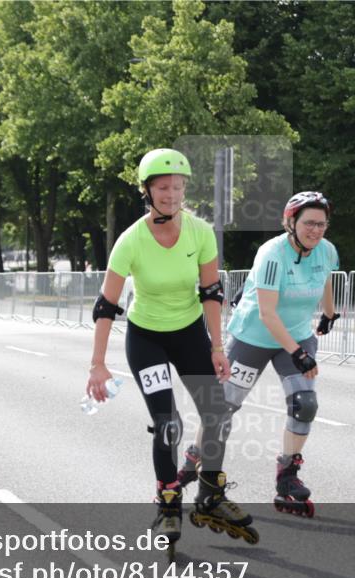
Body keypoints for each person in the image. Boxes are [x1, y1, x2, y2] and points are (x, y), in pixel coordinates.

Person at [85, 148, 258, 549]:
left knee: (216, 414)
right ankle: (167, 501)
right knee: (168, 424)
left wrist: (218, 346)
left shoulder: (199, 232)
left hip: (188, 335)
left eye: (178, 187)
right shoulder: (131, 240)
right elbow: (105, 306)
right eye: (163, 187)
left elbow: (211, 292)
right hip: (146, 339)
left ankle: (211, 494)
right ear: (147, 191)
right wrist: (97, 364)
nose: (172, 194)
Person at [178, 192, 340, 518]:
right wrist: (299, 355)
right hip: (253, 336)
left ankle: (288, 475)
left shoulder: (326, 250)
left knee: (304, 403)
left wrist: (329, 312)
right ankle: (194, 458)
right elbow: (267, 314)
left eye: (321, 224)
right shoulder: (272, 254)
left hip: (295, 335)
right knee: (223, 409)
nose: (316, 230)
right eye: (309, 223)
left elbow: (325, 278)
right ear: (290, 223)